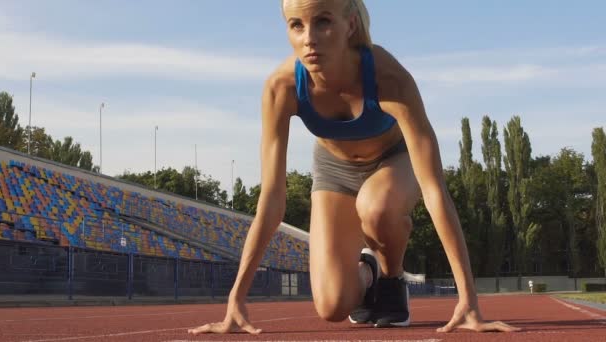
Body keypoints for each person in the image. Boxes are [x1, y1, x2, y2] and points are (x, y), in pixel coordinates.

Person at [189, 0, 520, 335]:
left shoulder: (388, 78)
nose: (309, 38)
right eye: (297, 25)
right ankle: (368, 273)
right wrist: (236, 299)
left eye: (322, 22)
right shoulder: (282, 87)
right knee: (332, 306)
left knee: (375, 207)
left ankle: (392, 279)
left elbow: (434, 190)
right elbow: (272, 199)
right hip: (334, 170)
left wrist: (469, 299)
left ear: (349, 24)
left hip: (394, 158)